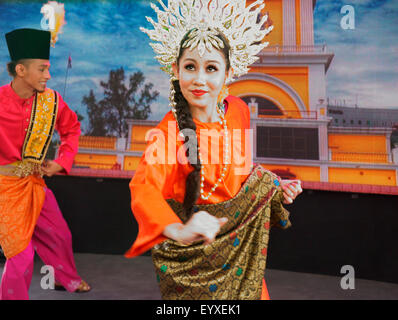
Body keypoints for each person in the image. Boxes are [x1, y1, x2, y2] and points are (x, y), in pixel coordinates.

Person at [125, 0, 302, 299]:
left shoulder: (239, 111)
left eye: (211, 68)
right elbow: (144, 188)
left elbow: (243, 173)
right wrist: (179, 230)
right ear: (175, 68)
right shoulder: (169, 133)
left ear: (228, 73)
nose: (200, 80)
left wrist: (274, 186)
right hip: (196, 257)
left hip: (240, 253)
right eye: (190, 67)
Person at [0, 28, 91, 300]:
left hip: (35, 183)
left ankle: (66, 279)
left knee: (59, 234)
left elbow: (72, 129)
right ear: (21, 70)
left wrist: (62, 162)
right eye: (42, 69)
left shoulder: (51, 101)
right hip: (5, 189)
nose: (48, 76)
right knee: (22, 255)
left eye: (49, 69)